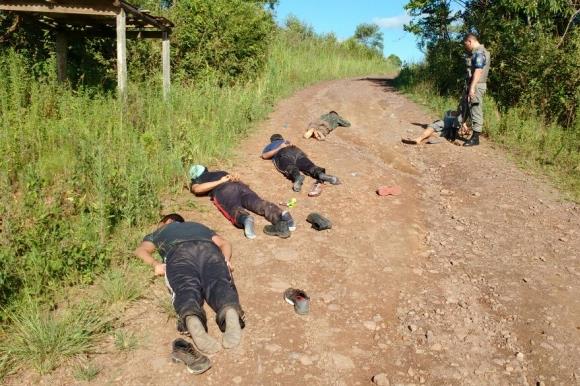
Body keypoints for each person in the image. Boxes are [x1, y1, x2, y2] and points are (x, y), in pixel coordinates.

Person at [134, 213, 244, 355]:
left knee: (185, 287)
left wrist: (156, 264)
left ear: (168, 221)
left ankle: (191, 316)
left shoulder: (159, 231)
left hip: (179, 252)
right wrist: (226, 260)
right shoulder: (199, 226)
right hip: (208, 249)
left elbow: (140, 251)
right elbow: (224, 243)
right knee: (219, 282)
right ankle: (229, 310)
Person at [188, 164, 294, 239]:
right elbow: (236, 178)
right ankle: (281, 215)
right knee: (258, 203)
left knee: (232, 207)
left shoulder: (199, 179)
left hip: (224, 190)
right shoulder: (220, 172)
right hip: (241, 187)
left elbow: (198, 189)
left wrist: (220, 182)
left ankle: (245, 219)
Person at [261, 134, 341, 195]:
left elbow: (264, 156)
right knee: (309, 166)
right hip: (297, 151)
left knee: (289, 166)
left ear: (272, 140)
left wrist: (279, 148)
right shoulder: (286, 141)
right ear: (281, 138)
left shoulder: (270, 145)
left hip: (283, 153)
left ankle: (297, 176)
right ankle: (320, 174)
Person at [462, 33, 490, 147]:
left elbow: (478, 71)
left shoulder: (479, 52)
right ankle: (469, 132)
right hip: (476, 85)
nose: (466, 47)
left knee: (476, 110)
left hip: (477, 85)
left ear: (470, 41)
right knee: (471, 108)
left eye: (466, 44)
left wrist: (472, 87)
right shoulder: (482, 52)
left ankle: (475, 138)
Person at [401, 109, 468, 145]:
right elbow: (455, 115)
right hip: (449, 125)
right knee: (435, 130)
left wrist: (463, 127)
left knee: (434, 130)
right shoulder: (451, 114)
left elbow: (456, 116)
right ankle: (419, 140)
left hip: (449, 127)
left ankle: (418, 140)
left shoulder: (452, 114)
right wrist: (463, 125)